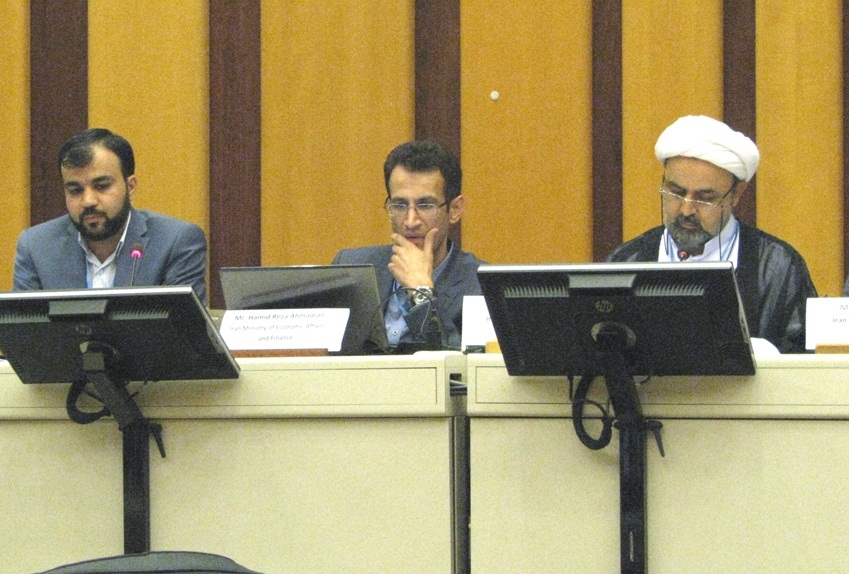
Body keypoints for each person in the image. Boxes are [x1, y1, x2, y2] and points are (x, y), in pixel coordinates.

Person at [607, 115, 817, 353]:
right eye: (676, 192)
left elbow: (806, 362)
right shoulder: (627, 260)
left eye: (705, 198)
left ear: (736, 194)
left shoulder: (777, 267)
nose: (686, 209)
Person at [14, 128, 208, 304]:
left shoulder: (175, 242)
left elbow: (184, 329)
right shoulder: (37, 247)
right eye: (75, 190)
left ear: (130, 187)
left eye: (101, 186)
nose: (88, 201)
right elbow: (24, 329)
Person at [332, 140, 485, 351]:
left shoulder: (480, 285)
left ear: (455, 209)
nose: (411, 221)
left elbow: (460, 365)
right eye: (400, 205)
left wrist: (422, 292)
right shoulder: (351, 267)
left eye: (426, 205)